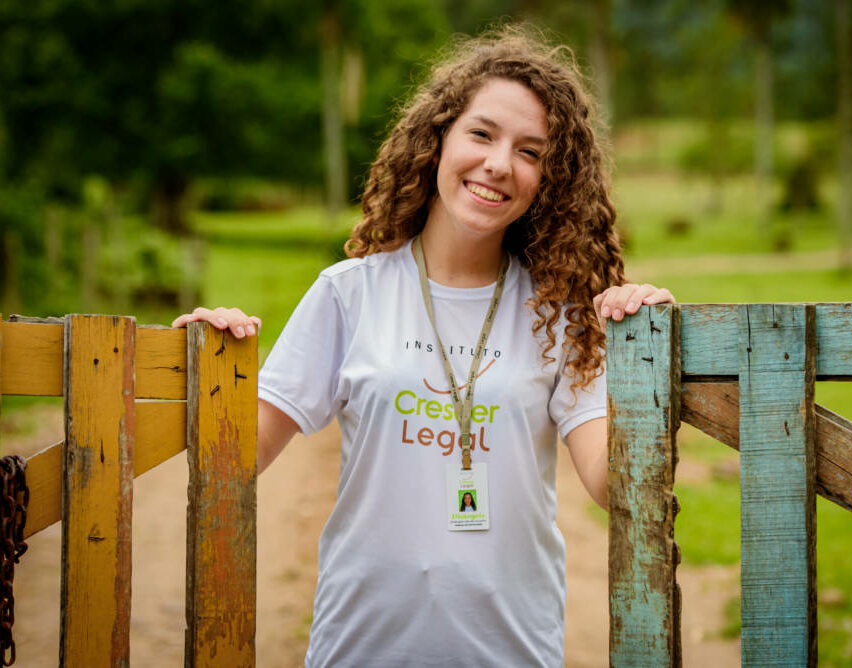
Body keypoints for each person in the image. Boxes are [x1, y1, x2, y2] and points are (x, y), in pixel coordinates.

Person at [173, 26, 674, 668]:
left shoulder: (558, 313)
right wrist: (210, 365)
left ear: (548, 180)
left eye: (530, 152)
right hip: (359, 650)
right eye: (482, 134)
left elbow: (611, 483)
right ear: (438, 138)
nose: (499, 164)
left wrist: (643, 354)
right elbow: (235, 457)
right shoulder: (349, 293)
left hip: (513, 653)